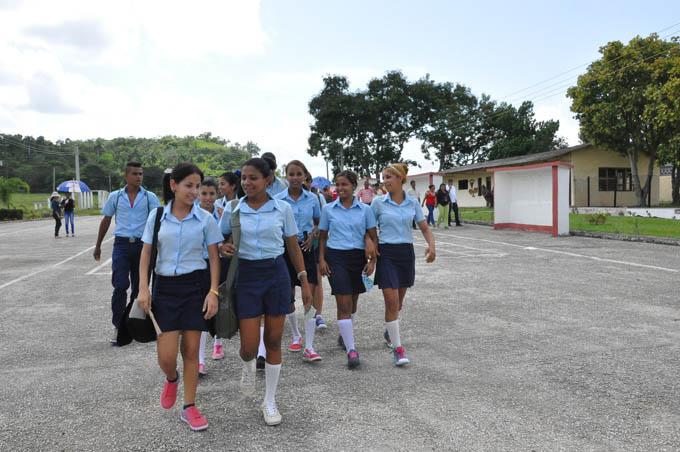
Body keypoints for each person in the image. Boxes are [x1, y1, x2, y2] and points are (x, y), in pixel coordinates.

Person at [219, 158, 312, 426]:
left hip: (276, 275)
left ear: (268, 179)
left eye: (253, 178)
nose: (247, 183)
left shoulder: (282, 208)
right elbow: (218, 240)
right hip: (246, 276)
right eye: (244, 178)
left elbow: (293, 248)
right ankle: (248, 366)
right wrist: (221, 248)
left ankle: (270, 400)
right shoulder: (233, 208)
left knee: (273, 340)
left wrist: (304, 281)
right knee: (248, 347)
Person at [137, 163, 222, 432]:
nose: (194, 192)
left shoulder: (206, 219)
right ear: (173, 185)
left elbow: (214, 258)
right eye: (189, 186)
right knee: (166, 355)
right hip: (165, 288)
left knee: (191, 351)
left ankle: (189, 406)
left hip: (195, 287)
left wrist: (213, 291)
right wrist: (143, 287)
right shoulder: (158, 215)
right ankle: (172, 378)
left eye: (197, 186)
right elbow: (146, 254)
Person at [371, 163, 436, 366]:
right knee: (391, 302)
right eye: (384, 177)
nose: (385, 181)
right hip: (386, 253)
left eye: (389, 176)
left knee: (398, 303)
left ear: (401, 179)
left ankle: (389, 331)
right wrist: (370, 249)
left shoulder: (412, 203)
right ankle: (398, 349)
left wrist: (432, 246)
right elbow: (369, 229)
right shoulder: (378, 203)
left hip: (406, 253)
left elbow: (424, 227)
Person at [94, 161, 161, 344]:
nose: (139, 177)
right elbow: (106, 220)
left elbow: (158, 223)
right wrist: (98, 245)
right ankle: (118, 327)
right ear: (126, 176)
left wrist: (159, 248)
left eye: (140, 174)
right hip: (122, 246)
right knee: (120, 285)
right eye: (135, 174)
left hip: (143, 247)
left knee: (140, 288)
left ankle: (135, 327)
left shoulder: (149, 198)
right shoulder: (116, 197)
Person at [318, 170, 377, 369]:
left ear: (353, 186)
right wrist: (321, 261)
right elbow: (323, 237)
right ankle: (352, 350)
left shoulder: (365, 210)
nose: (340, 188)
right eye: (337, 185)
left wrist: (372, 262)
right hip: (336, 258)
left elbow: (372, 236)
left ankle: (344, 334)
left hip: (358, 258)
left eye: (344, 184)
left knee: (353, 302)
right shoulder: (328, 209)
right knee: (343, 302)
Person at [275, 160, 322, 362]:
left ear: (304, 176)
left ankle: (310, 346)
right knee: (288, 295)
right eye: (291, 174)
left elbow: (319, 223)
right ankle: (296, 335)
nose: (295, 178)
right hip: (285, 249)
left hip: (306, 247)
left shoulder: (313, 199)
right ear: (286, 176)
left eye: (298, 174)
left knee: (308, 295)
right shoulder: (277, 200)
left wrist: (314, 236)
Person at [197, 177, 226, 376]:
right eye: (204, 193)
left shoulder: (223, 215)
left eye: (212, 194)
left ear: (218, 195)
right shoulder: (192, 214)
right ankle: (199, 360)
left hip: (218, 264)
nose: (208, 198)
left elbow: (226, 240)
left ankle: (218, 342)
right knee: (199, 313)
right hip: (199, 266)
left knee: (219, 307)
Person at [306, 174, 328, 331]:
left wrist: (314, 236)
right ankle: (298, 315)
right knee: (299, 283)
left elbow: (322, 223)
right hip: (295, 244)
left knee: (317, 281)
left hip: (314, 244)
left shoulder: (318, 198)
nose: (305, 183)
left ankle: (317, 315)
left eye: (307, 180)